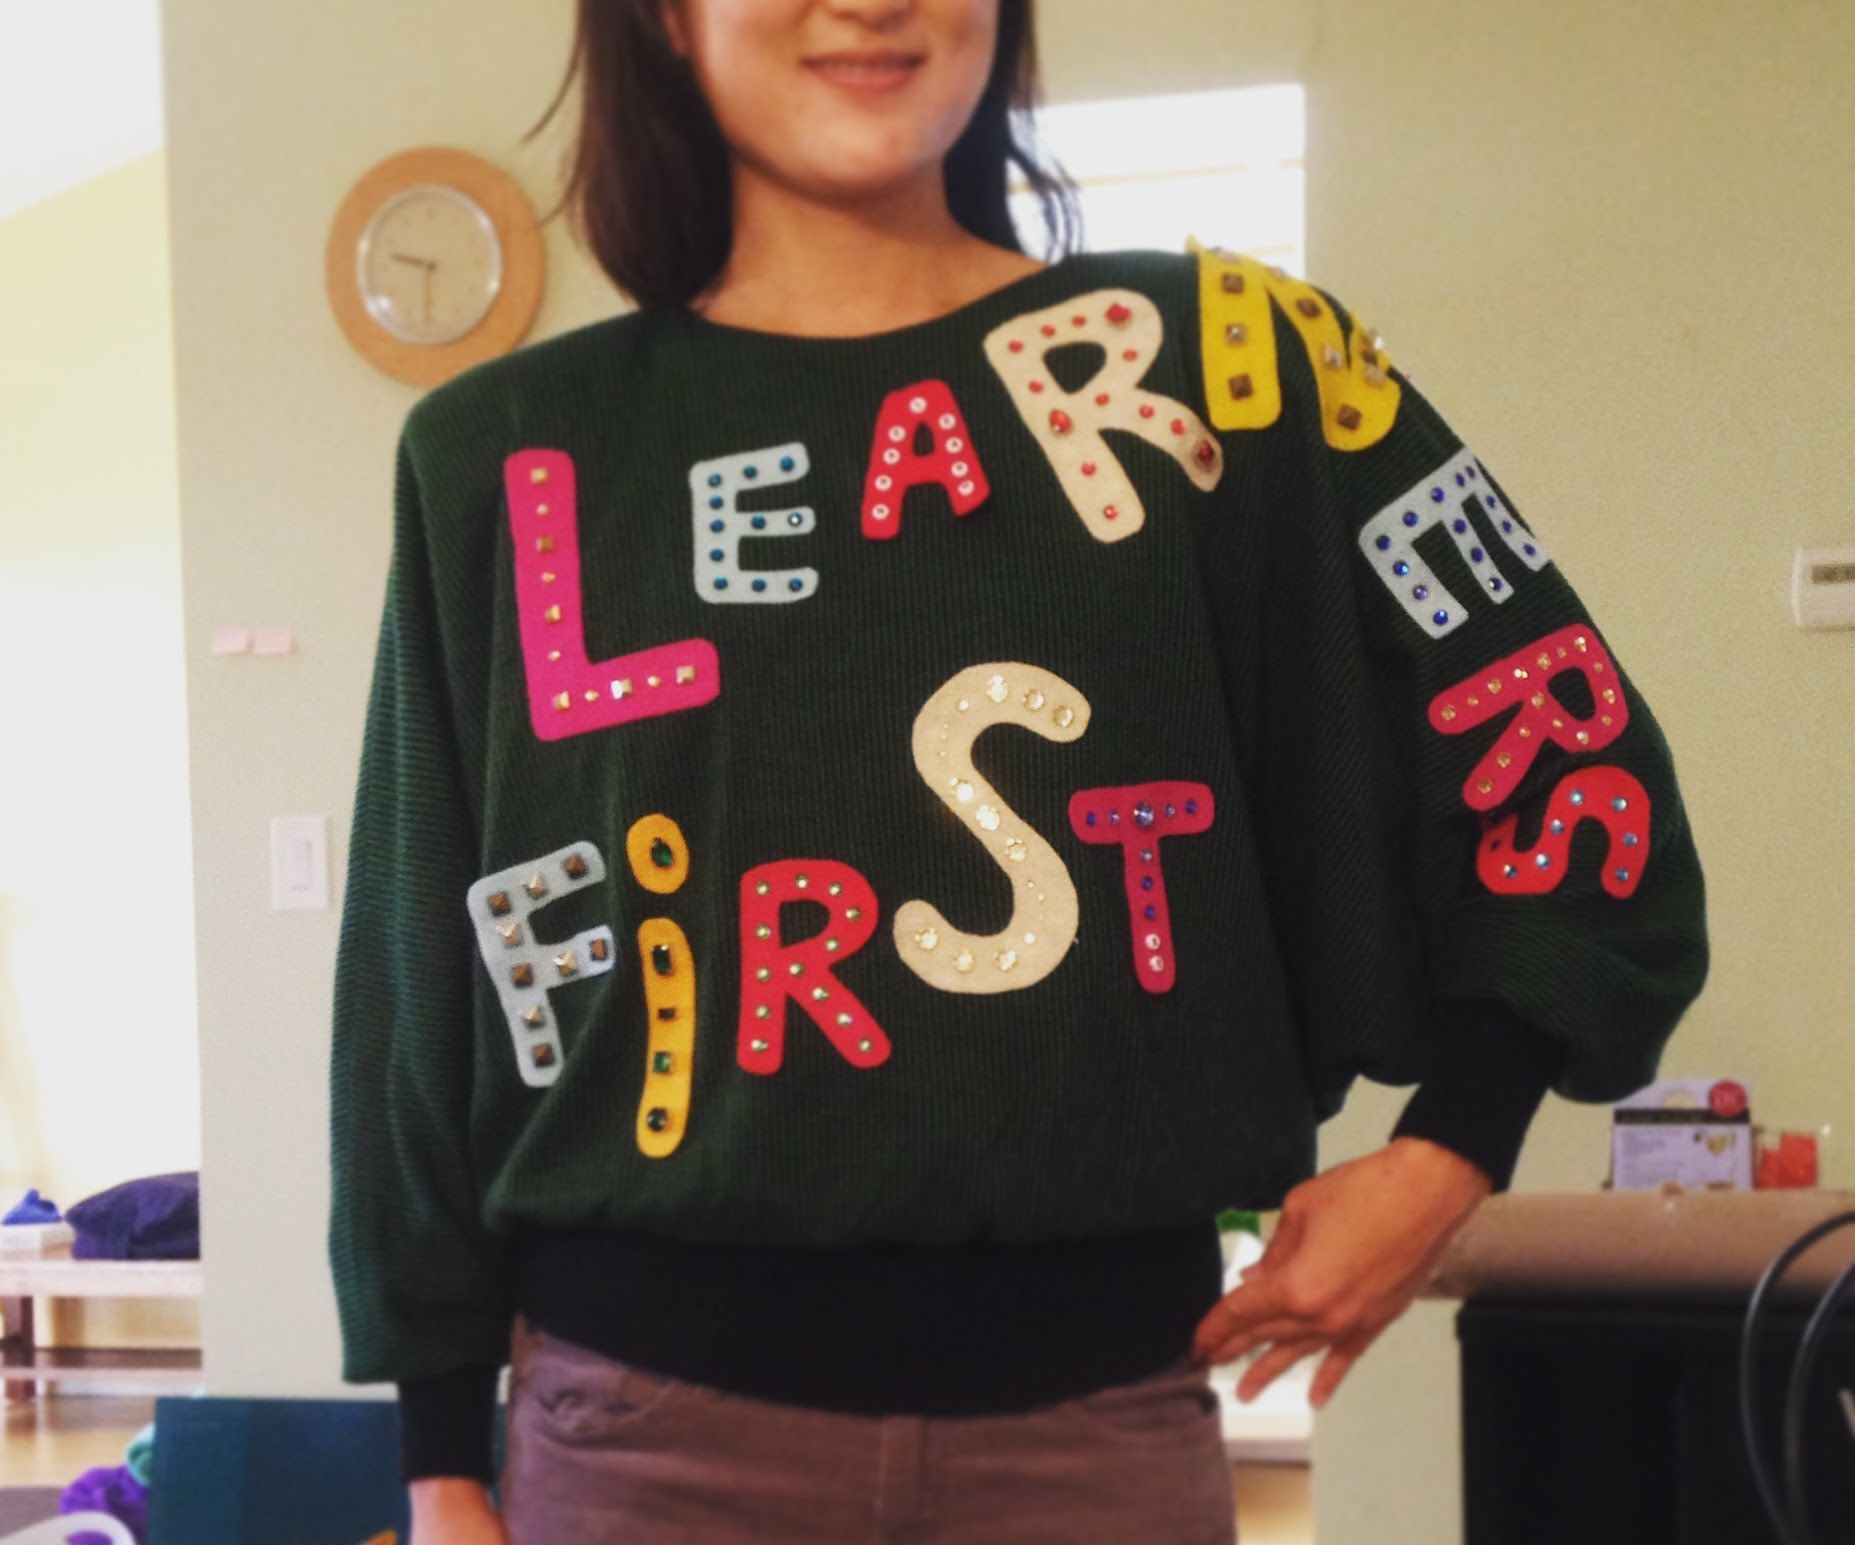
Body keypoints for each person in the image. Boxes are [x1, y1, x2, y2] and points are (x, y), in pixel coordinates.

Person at [326, 0, 1711, 1540]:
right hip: (645, 1452)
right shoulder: (500, 455)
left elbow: (1565, 740)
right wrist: (442, 1456)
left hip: (1100, 1436)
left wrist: (1460, 1138)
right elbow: (415, 980)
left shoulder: (1236, 369)